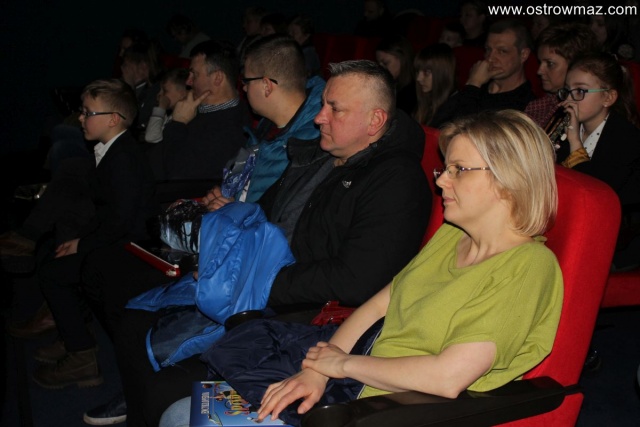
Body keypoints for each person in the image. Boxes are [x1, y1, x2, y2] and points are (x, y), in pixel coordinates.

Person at [160, 108, 564, 427]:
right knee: (184, 407)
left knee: (182, 416)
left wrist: (339, 365)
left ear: (508, 180)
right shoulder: (452, 236)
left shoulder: (528, 267)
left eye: (459, 170)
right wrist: (318, 372)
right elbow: (377, 306)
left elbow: (448, 378)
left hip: (392, 412)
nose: (441, 182)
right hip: (352, 386)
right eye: (445, 169)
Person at [115, 60, 431, 427]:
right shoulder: (324, 156)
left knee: (159, 385)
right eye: (323, 104)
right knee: (134, 319)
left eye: (335, 109)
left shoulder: (396, 181)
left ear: (375, 121)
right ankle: (129, 400)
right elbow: (268, 215)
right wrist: (230, 239)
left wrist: (257, 281)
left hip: (303, 317)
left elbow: (357, 280)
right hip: (267, 289)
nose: (319, 118)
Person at [79, 34, 326, 425]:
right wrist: (226, 194)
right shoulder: (266, 130)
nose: (242, 89)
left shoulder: (307, 143)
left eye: (246, 81)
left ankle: (135, 387)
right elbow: (244, 185)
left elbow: (282, 223)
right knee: (112, 278)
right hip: (222, 237)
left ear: (266, 85)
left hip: (245, 263)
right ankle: (131, 385)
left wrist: (234, 207)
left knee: (125, 297)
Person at [8, 79, 158, 390]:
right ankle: (72, 334)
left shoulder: (124, 158)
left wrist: (82, 244)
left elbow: (121, 222)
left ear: (113, 119)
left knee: (53, 273)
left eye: (88, 113)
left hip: (130, 247)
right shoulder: (110, 149)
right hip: (116, 237)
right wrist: (78, 240)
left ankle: (81, 357)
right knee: (56, 256)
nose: (81, 118)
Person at [556, 52, 640, 271]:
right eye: (567, 90)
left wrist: (575, 142)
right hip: (572, 225)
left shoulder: (626, 138)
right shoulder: (566, 127)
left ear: (608, 98)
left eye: (580, 91)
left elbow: (595, 196)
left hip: (616, 242)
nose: (569, 100)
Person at [144, 39, 250, 181]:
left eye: (194, 74)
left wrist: (178, 123)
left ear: (217, 78)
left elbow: (176, 175)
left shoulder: (231, 128)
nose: (188, 81)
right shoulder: (197, 109)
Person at [443, 18, 536, 121]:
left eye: (502, 51)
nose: (490, 58)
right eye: (488, 49)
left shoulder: (526, 105)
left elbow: (463, 125)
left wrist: (473, 84)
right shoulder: (478, 87)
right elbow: (441, 122)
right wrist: (473, 84)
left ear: (523, 55)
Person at [524, 22, 598, 129]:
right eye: (540, 62)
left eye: (550, 64)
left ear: (575, 65)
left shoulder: (590, 111)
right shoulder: (537, 107)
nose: (539, 71)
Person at [413, 43, 457, 128]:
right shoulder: (424, 101)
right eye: (418, 71)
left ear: (442, 73)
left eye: (426, 72)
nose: (418, 78)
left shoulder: (453, 108)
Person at [144, 68, 189, 143]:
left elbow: (151, 137)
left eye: (165, 91)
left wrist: (160, 109)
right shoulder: (168, 115)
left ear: (182, 94)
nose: (159, 95)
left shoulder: (184, 119)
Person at [375, 35, 416, 115]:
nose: (381, 68)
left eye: (386, 63)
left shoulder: (413, 92)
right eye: (379, 63)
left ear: (402, 58)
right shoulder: (388, 85)